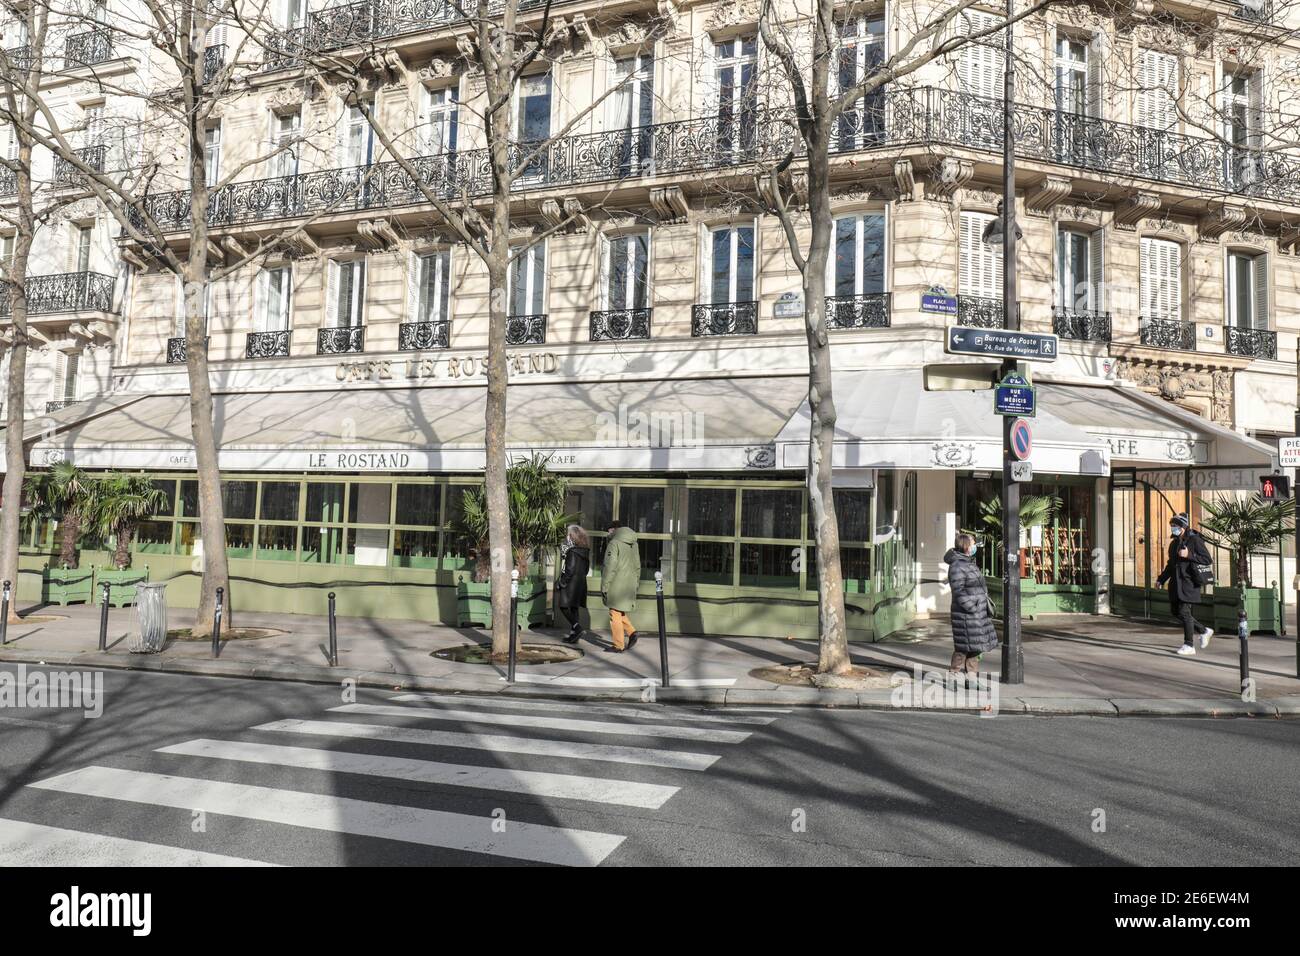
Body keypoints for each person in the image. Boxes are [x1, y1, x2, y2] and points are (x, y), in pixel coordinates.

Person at [944, 533, 998, 687]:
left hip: (977, 613)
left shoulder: (968, 562)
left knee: (975, 647)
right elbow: (958, 591)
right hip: (966, 614)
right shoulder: (957, 565)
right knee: (962, 648)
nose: (975, 545)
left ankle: (972, 679)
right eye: (973, 543)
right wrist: (972, 607)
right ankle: (953, 678)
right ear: (966, 546)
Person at [1156, 512, 1214, 656]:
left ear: (1182, 526)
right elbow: (1171, 565)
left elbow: (1207, 559)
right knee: (1176, 612)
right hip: (1176, 583)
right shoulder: (1174, 543)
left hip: (1189, 582)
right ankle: (1204, 630)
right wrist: (1161, 579)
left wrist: (1189, 555)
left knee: (1185, 612)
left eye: (1175, 525)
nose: (1172, 528)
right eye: (1171, 526)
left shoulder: (1194, 540)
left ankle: (1189, 645)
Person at [601, 520, 640, 653]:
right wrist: (636, 583)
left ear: (614, 530)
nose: (608, 533)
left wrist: (605, 585)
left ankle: (618, 645)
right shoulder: (634, 544)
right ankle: (632, 632)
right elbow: (638, 565)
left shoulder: (614, 543)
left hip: (616, 582)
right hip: (630, 582)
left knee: (614, 612)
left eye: (609, 530)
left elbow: (609, 567)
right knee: (619, 611)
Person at [556, 524, 590, 644]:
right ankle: (574, 634)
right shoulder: (585, 551)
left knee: (563, 606)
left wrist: (562, 583)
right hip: (580, 583)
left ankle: (577, 628)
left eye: (568, 534)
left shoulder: (572, 551)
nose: (567, 537)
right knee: (574, 608)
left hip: (570, 583)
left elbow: (569, 569)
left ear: (572, 536)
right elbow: (586, 569)